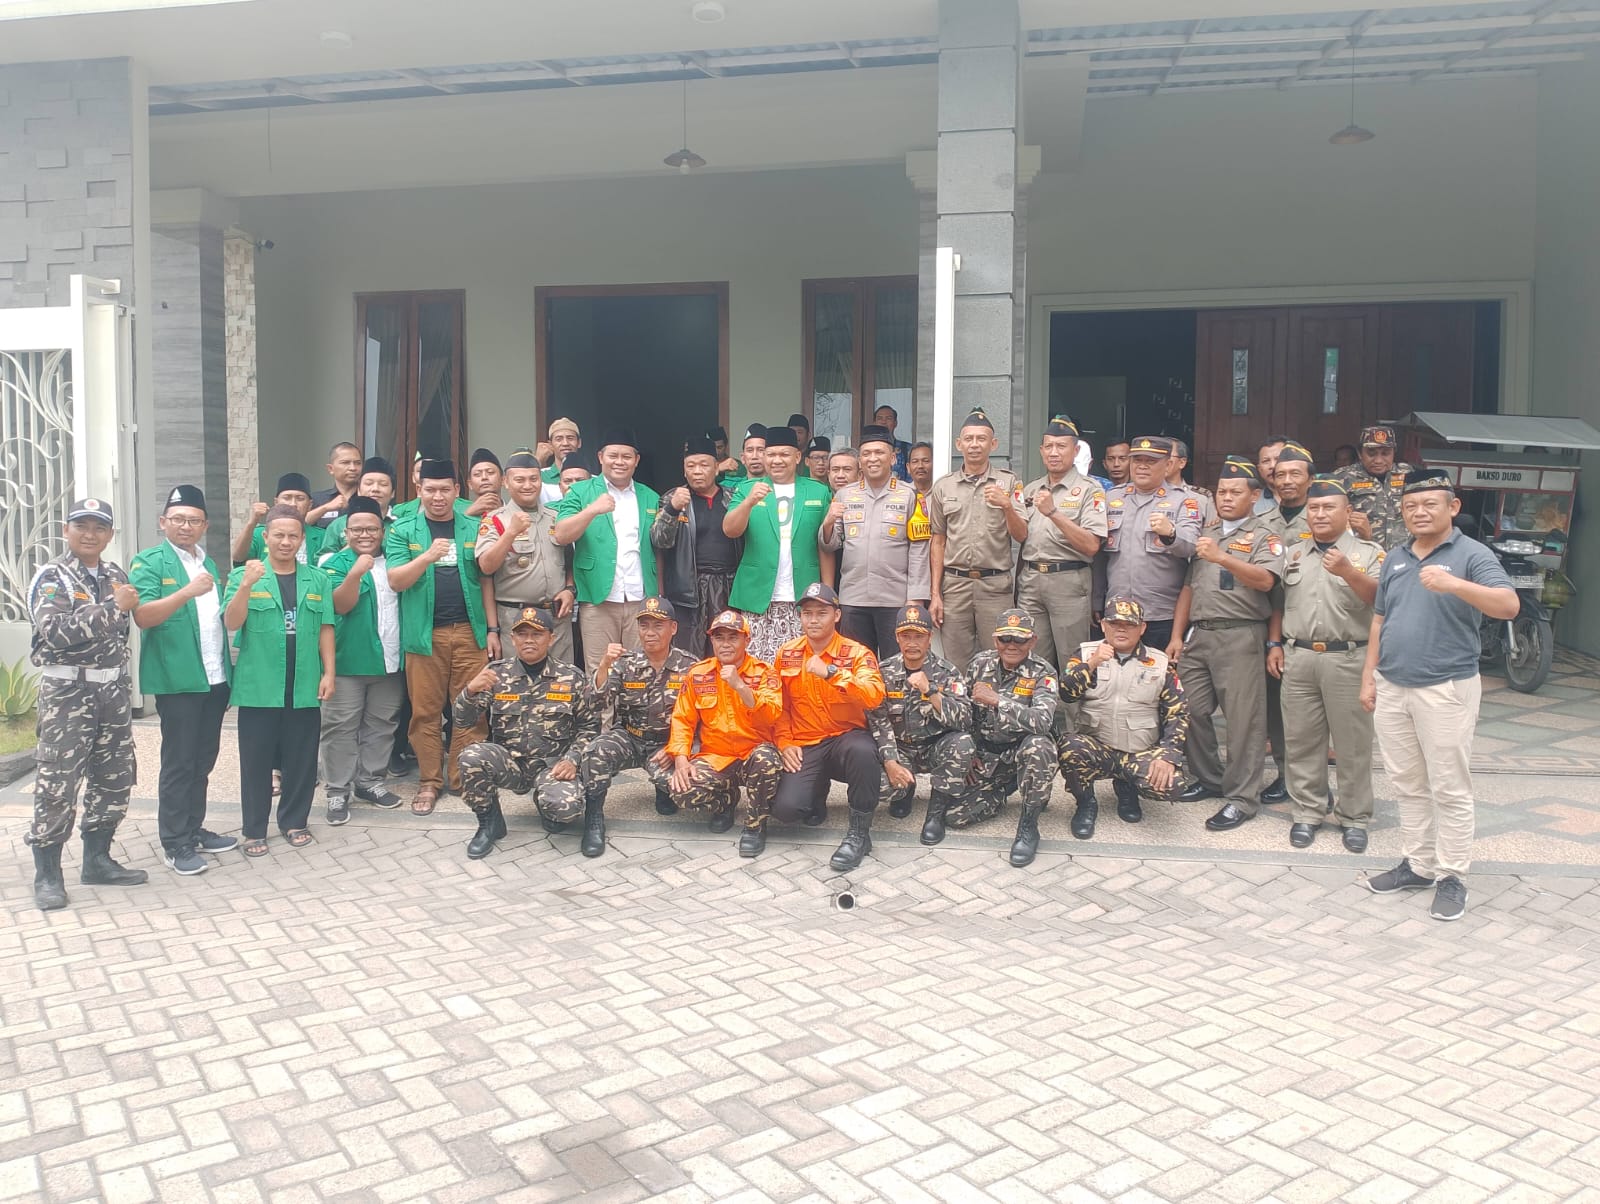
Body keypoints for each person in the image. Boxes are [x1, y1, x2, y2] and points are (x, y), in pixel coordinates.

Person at [1361, 470, 1518, 922]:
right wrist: (1369, 677)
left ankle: (1452, 876)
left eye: (1430, 504)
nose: (1420, 512)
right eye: (1411, 506)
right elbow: (1379, 620)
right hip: (1393, 685)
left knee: (1449, 787)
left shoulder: (1472, 554)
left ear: (1453, 507)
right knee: (1407, 783)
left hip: (1446, 687)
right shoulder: (1395, 556)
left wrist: (1455, 585)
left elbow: (1508, 605)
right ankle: (1418, 865)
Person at [25, 498, 144, 910]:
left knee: (115, 776)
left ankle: (98, 860)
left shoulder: (115, 574)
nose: (90, 534)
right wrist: (113, 607)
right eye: (81, 526)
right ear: (66, 530)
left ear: (110, 534)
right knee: (58, 782)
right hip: (68, 693)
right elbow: (55, 631)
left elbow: (119, 635)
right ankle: (48, 874)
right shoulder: (52, 577)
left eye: (99, 528)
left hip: (112, 692)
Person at [1166, 460, 1284, 831]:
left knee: (1243, 722)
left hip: (1241, 634)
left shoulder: (1265, 536)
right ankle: (1209, 778)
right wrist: (1176, 636)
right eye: (1221, 492)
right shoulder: (1209, 532)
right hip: (1200, 635)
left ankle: (1242, 798)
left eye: (1235, 492)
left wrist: (1223, 557)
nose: (1226, 498)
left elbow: (1266, 581)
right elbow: (1189, 587)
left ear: (1255, 495)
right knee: (1189, 709)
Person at [1268, 479, 1384, 852]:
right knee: (1301, 740)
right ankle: (1307, 812)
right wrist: (1275, 644)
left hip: (1348, 658)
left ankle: (1354, 817)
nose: (1319, 514)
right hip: (1299, 656)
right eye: (1314, 508)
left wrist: (1349, 571)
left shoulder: (1368, 553)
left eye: (1328, 507)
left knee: (1353, 745)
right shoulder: (1293, 553)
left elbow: (1380, 601)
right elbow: (1279, 603)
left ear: (1347, 512)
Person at [129, 484, 236, 876]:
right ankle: (175, 843)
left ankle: (193, 829)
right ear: (163, 522)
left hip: (214, 677)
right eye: (177, 519)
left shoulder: (207, 562)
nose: (185, 526)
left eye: (193, 520)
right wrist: (187, 592)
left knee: (203, 760)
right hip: (178, 680)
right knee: (179, 762)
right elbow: (144, 616)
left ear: (205, 525)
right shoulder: (150, 562)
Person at [223, 504, 336, 857]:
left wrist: (329, 672)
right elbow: (231, 622)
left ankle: (294, 821)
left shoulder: (318, 579)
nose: (285, 542)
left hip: (303, 682)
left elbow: (326, 627)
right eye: (279, 535)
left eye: (292, 536)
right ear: (266, 536)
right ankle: (254, 828)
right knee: (255, 762)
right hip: (259, 685)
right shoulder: (244, 575)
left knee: (301, 759)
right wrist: (246, 585)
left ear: (302, 539)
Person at [386, 458, 490, 814]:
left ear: (457, 491)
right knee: (425, 712)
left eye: (445, 489)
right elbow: (396, 581)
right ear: (419, 490)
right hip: (424, 636)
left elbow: (485, 578)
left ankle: (461, 777)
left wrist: (491, 630)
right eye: (430, 489)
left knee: (471, 709)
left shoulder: (473, 526)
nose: (438, 496)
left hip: (469, 632)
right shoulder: (403, 530)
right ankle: (429, 782)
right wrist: (427, 557)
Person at [453, 607, 600, 860]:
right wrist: (470, 691)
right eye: (522, 634)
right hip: (511, 764)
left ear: (551, 638)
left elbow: (591, 727)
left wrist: (572, 759)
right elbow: (462, 721)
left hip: (552, 766)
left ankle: (547, 804)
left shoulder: (571, 677)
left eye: (537, 634)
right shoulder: (496, 674)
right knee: (471, 757)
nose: (529, 640)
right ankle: (489, 823)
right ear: (512, 639)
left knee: (565, 809)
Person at [760, 583, 886, 870]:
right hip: (806, 743)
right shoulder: (787, 653)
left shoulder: (857, 653)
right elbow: (780, 707)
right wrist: (785, 742)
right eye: (807, 613)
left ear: (837, 616)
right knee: (787, 811)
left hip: (845, 740)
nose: (813, 620)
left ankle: (859, 835)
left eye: (821, 613)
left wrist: (832, 673)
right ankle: (816, 794)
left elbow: (874, 695)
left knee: (864, 751)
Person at [1057, 596, 1188, 842]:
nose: (1121, 629)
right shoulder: (1086, 653)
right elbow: (1066, 693)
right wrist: (1093, 663)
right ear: (1103, 625)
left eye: (1129, 624)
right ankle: (1086, 803)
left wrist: (1168, 756)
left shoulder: (1159, 662)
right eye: (1115, 623)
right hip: (1099, 749)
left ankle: (1127, 788)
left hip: (1139, 750)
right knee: (1069, 747)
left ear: (1142, 628)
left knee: (1172, 784)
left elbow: (1177, 712)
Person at [582, 597, 700, 852]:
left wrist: (678, 748)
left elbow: (702, 718)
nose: (649, 632)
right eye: (644, 625)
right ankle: (593, 818)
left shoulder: (690, 666)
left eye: (658, 625)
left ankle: (663, 789)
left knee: (689, 790)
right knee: (595, 752)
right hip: (629, 737)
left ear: (673, 628)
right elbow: (594, 703)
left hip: (666, 745)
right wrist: (603, 666)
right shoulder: (624, 662)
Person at [666, 610, 784, 855]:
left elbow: (772, 716)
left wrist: (741, 686)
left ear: (747, 640)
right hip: (716, 757)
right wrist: (681, 759)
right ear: (712, 640)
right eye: (719, 637)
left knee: (767, 760)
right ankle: (725, 802)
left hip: (753, 754)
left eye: (733, 637)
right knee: (681, 790)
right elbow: (682, 719)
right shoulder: (698, 673)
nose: (725, 644)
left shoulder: (765, 672)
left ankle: (755, 825)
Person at [319, 496, 406, 825]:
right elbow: (339, 605)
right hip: (349, 662)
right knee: (340, 727)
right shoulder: (334, 564)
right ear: (346, 532)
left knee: (382, 724)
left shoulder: (396, 561)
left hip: (390, 660)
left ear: (383, 531)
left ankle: (370, 781)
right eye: (356, 529)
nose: (365, 534)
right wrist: (355, 573)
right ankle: (337, 790)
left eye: (371, 528)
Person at [552, 426, 663, 675]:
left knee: (639, 670)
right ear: (601, 457)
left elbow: (658, 549)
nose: (619, 462)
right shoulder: (580, 491)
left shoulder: (650, 496)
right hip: (597, 598)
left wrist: (658, 593)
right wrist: (592, 510)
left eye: (626, 456)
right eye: (613, 455)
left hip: (640, 598)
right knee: (600, 670)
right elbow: (561, 534)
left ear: (636, 460)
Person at [723, 424, 834, 663]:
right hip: (757, 595)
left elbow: (825, 545)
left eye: (784, 454)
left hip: (803, 596)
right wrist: (748, 503)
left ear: (797, 457)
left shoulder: (818, 491)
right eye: (771, 454)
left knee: (799, 665)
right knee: (755, 666)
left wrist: (828, 592)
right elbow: (730, 530)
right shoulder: (747, 489)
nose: (777, 460)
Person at [927, 409, 1026, 672]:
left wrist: (1007, 506)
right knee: (956, 662)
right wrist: (935, 594)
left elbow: (1021, 535)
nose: (974, 444)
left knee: (1000, 659)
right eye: (968, 439)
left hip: (995, 586)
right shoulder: (944, 486)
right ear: (958, 444)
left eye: (981, 439)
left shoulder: (1009, 482)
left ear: (993, 444)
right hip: (955, 586)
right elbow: (938, 541)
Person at [869, 604, 976, 845]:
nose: (912, 643)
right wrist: (890, 762)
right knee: (879, 788)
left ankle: (936, 812)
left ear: (930, 638)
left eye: (919, 636)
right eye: (906, 636)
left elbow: (965, 719)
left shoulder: (947, 672)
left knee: (963, 744)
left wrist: (931, 692)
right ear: (897, 638)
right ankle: (905, 791)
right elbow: (878, 721)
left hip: (934, 747)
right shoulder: (884, 672)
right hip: (901, 749)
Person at [963, 608, 1060, 867]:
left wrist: (998, 701)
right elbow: (965, 713)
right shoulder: (979, 665)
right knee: (956, 816)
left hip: (1023, 750)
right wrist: (969, 751)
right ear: (995, 640)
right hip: (989, 754)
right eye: (1005, 638)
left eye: (1020, 639)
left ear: (1032, 641)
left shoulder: (1043, 672)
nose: (1012, 645)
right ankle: (1005, 788)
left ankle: (1029, 824)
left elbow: (1042, 722)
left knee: (1039, 746)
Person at [823, 425, 930, 658]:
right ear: (860, 461)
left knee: (898, 665)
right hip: (853, 599)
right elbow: (830, 545)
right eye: (866, 454)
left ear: (893, 458)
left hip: (896, 600)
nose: (872, 458)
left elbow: (919, 550)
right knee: (856, 667)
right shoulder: (845, 495)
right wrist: (829, 521)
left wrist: (916, 597)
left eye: (879, 452)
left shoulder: (910, 495)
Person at [1016, 415, 1108, 672]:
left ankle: (1073, 702)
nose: (1054, 452)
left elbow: (1091, 545)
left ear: (1075, 451)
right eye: (1049, 446)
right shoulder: (1031, 489)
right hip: (1031, 580)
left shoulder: (1090, 489)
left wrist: (1054, 513)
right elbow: (1022, 540)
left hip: (1069, 580)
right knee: (1030, 659)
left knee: (1073, 660)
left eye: (1061, 446)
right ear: (1041, 451)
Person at [1100, 436, 1201, 652]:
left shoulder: (1183, 501)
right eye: (1137, 460)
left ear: (1168, 465)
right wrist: (1095, 600)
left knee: (1159, 671)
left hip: (1160, 613)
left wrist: (1171, 533)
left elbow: (1192, 546)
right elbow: (1099, 556)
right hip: (1117, 611)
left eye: (1151, 461)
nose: (1142, 466)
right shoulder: (1112, 498)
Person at [477, 449, 576, 664]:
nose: (528, 485)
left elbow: (570, 561)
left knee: (562, 680)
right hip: (515, 619)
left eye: (534, 479)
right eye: (520, 480)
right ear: (506, 482)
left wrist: (570, 589)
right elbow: (486, 567)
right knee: (516, 681)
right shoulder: (495, 520)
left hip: (556, 618)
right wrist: (510, 533)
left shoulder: (556, 517)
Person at [1259, 439, 1314, 804]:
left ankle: (1312, 782)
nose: (1287, 480)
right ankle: (1284, 774)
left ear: (1311, 479)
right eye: (1280, 475)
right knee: (1276, 708)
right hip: (1271, 626)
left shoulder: (1326, 515)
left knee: (1313, 712)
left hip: (1313, 624)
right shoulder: (1263, 522)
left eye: (1295, 474)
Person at [653, 437, 741, 656]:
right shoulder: (672, 498)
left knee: (726, 649)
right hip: (689, 589)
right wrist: (672, 510)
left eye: (703, 465)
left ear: (716, 468)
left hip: (729, 586)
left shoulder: (733, 498)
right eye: (690, 466)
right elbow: (659, 541)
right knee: (689, 654)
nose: (697, 471)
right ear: (684, 471)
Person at [1335, 424, 1416, 549]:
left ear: (1393, 453)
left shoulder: (1407, 474)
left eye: (1385, 453)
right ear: (1360, 453)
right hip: (1360, 552)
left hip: (1403, 553)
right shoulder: (1343, 477)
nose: (1378, 460)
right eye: (1371, 453)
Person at [234, 473, 324, 567]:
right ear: (276, 502)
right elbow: (238, 557)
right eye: (287, 498)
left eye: (300, 499)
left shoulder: (322, 536)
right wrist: (251, 523)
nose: (293, 504)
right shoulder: (259, 533)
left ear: (310, 505)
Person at [319, 457, 397, 560]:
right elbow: (322, 561)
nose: (375, 489)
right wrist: (354, 544)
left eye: (383, 484)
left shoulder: (401, 524)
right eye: (368, 483)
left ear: (392, 493)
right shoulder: (338, 525)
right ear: (358, 490)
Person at [307, 441, 366, 529]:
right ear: (331, 469)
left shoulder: (369, 497)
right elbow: (300, 525)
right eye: (345, 462)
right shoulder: (317, 499)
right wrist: (326, 508)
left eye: (358, 463)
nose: (353, 468)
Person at [872, 403, 914, 482]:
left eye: (888, 418)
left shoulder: (907, 449)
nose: (883, 422)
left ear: (895, 423)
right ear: (874, 423)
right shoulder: (868, 450)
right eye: (880, 418)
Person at [539, 417, 582, 488]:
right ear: (550, 444)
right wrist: (538, 460)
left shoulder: (591, 478)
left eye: (570, 438)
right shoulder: (540, 476)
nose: (565, 443)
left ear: (579, 443)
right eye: (559, 439)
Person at [465, 448, 504, 518]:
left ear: (503, 480)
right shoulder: (461, 516)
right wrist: (468, 514)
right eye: (477, 474)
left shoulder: (515, 515)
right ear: (470, 484)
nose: (484, 477)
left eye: (490, 472)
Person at [1253, 436, 1286, 517]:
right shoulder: (1252, 503)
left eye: (1278, 459)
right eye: (1266, 461)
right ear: (1259, 469)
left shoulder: (1311, 499)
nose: (1272, 466)